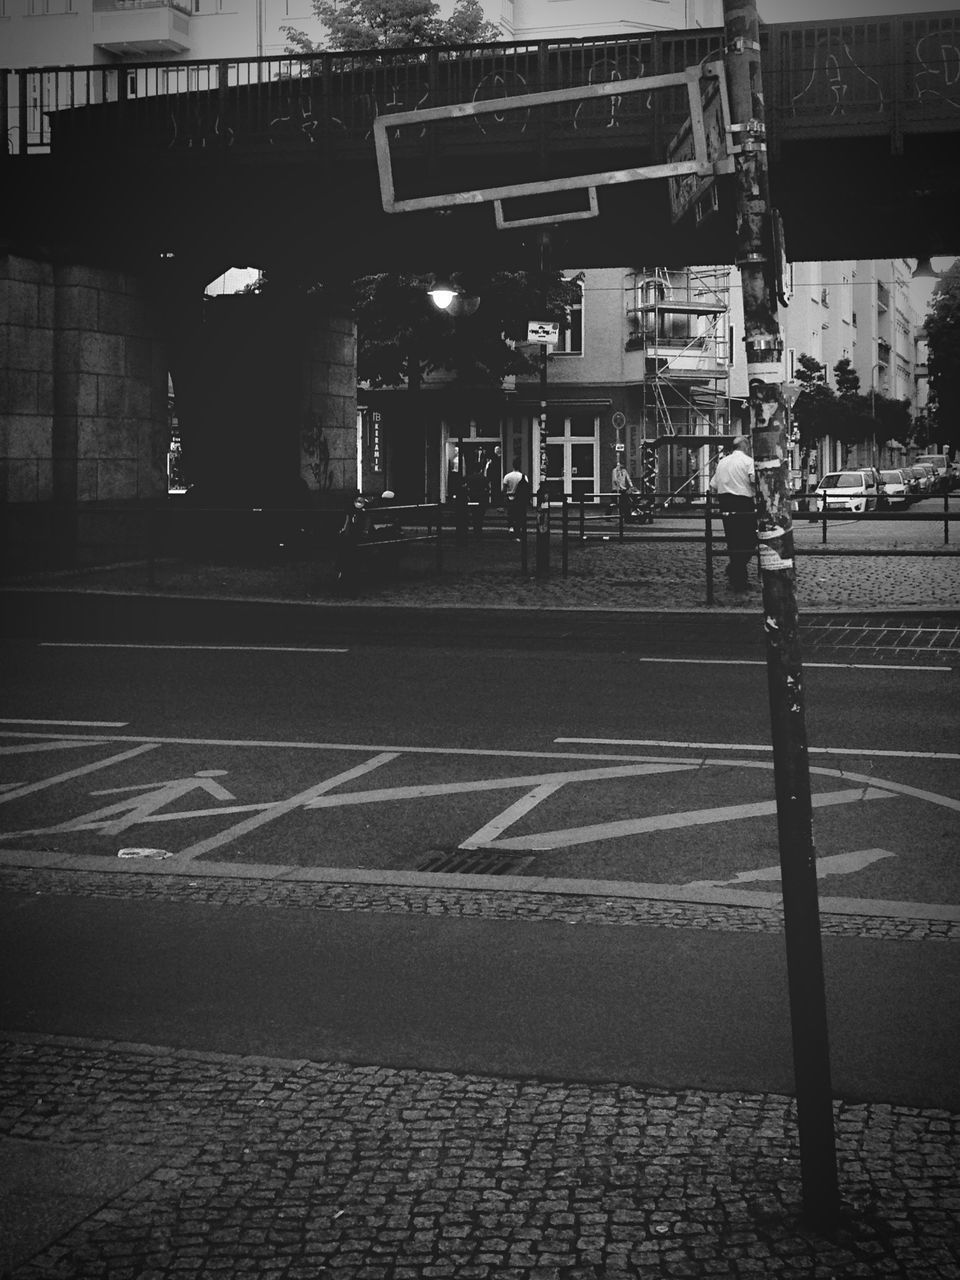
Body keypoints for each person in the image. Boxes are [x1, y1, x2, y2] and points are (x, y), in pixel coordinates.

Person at [709, 434, 756, 591]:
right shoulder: (748, 462)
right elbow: (754, 480)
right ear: (744, 446)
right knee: (749, 540)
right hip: (743, 503)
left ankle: (737, 576)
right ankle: (736, 571)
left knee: (734, 541)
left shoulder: (722, 462)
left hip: (725, 504)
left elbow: (713, 485)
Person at [502, 462, 529, 539]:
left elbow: (504, 489)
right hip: (519, 499)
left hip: (510, 498)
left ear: (513, 466)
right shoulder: (523, 477)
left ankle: (511, 528)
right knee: (519, 514)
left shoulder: (507, 476)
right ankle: (518, 530)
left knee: (510, 513)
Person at [465, 466, 490, 535]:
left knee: (474, 514)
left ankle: (475, 528)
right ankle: (479, 529)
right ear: (481, 470)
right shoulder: (484, 478)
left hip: (473, 498)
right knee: (480, 515)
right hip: (482, 498)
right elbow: (487, 489)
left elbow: (467, 488)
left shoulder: (470, 478)